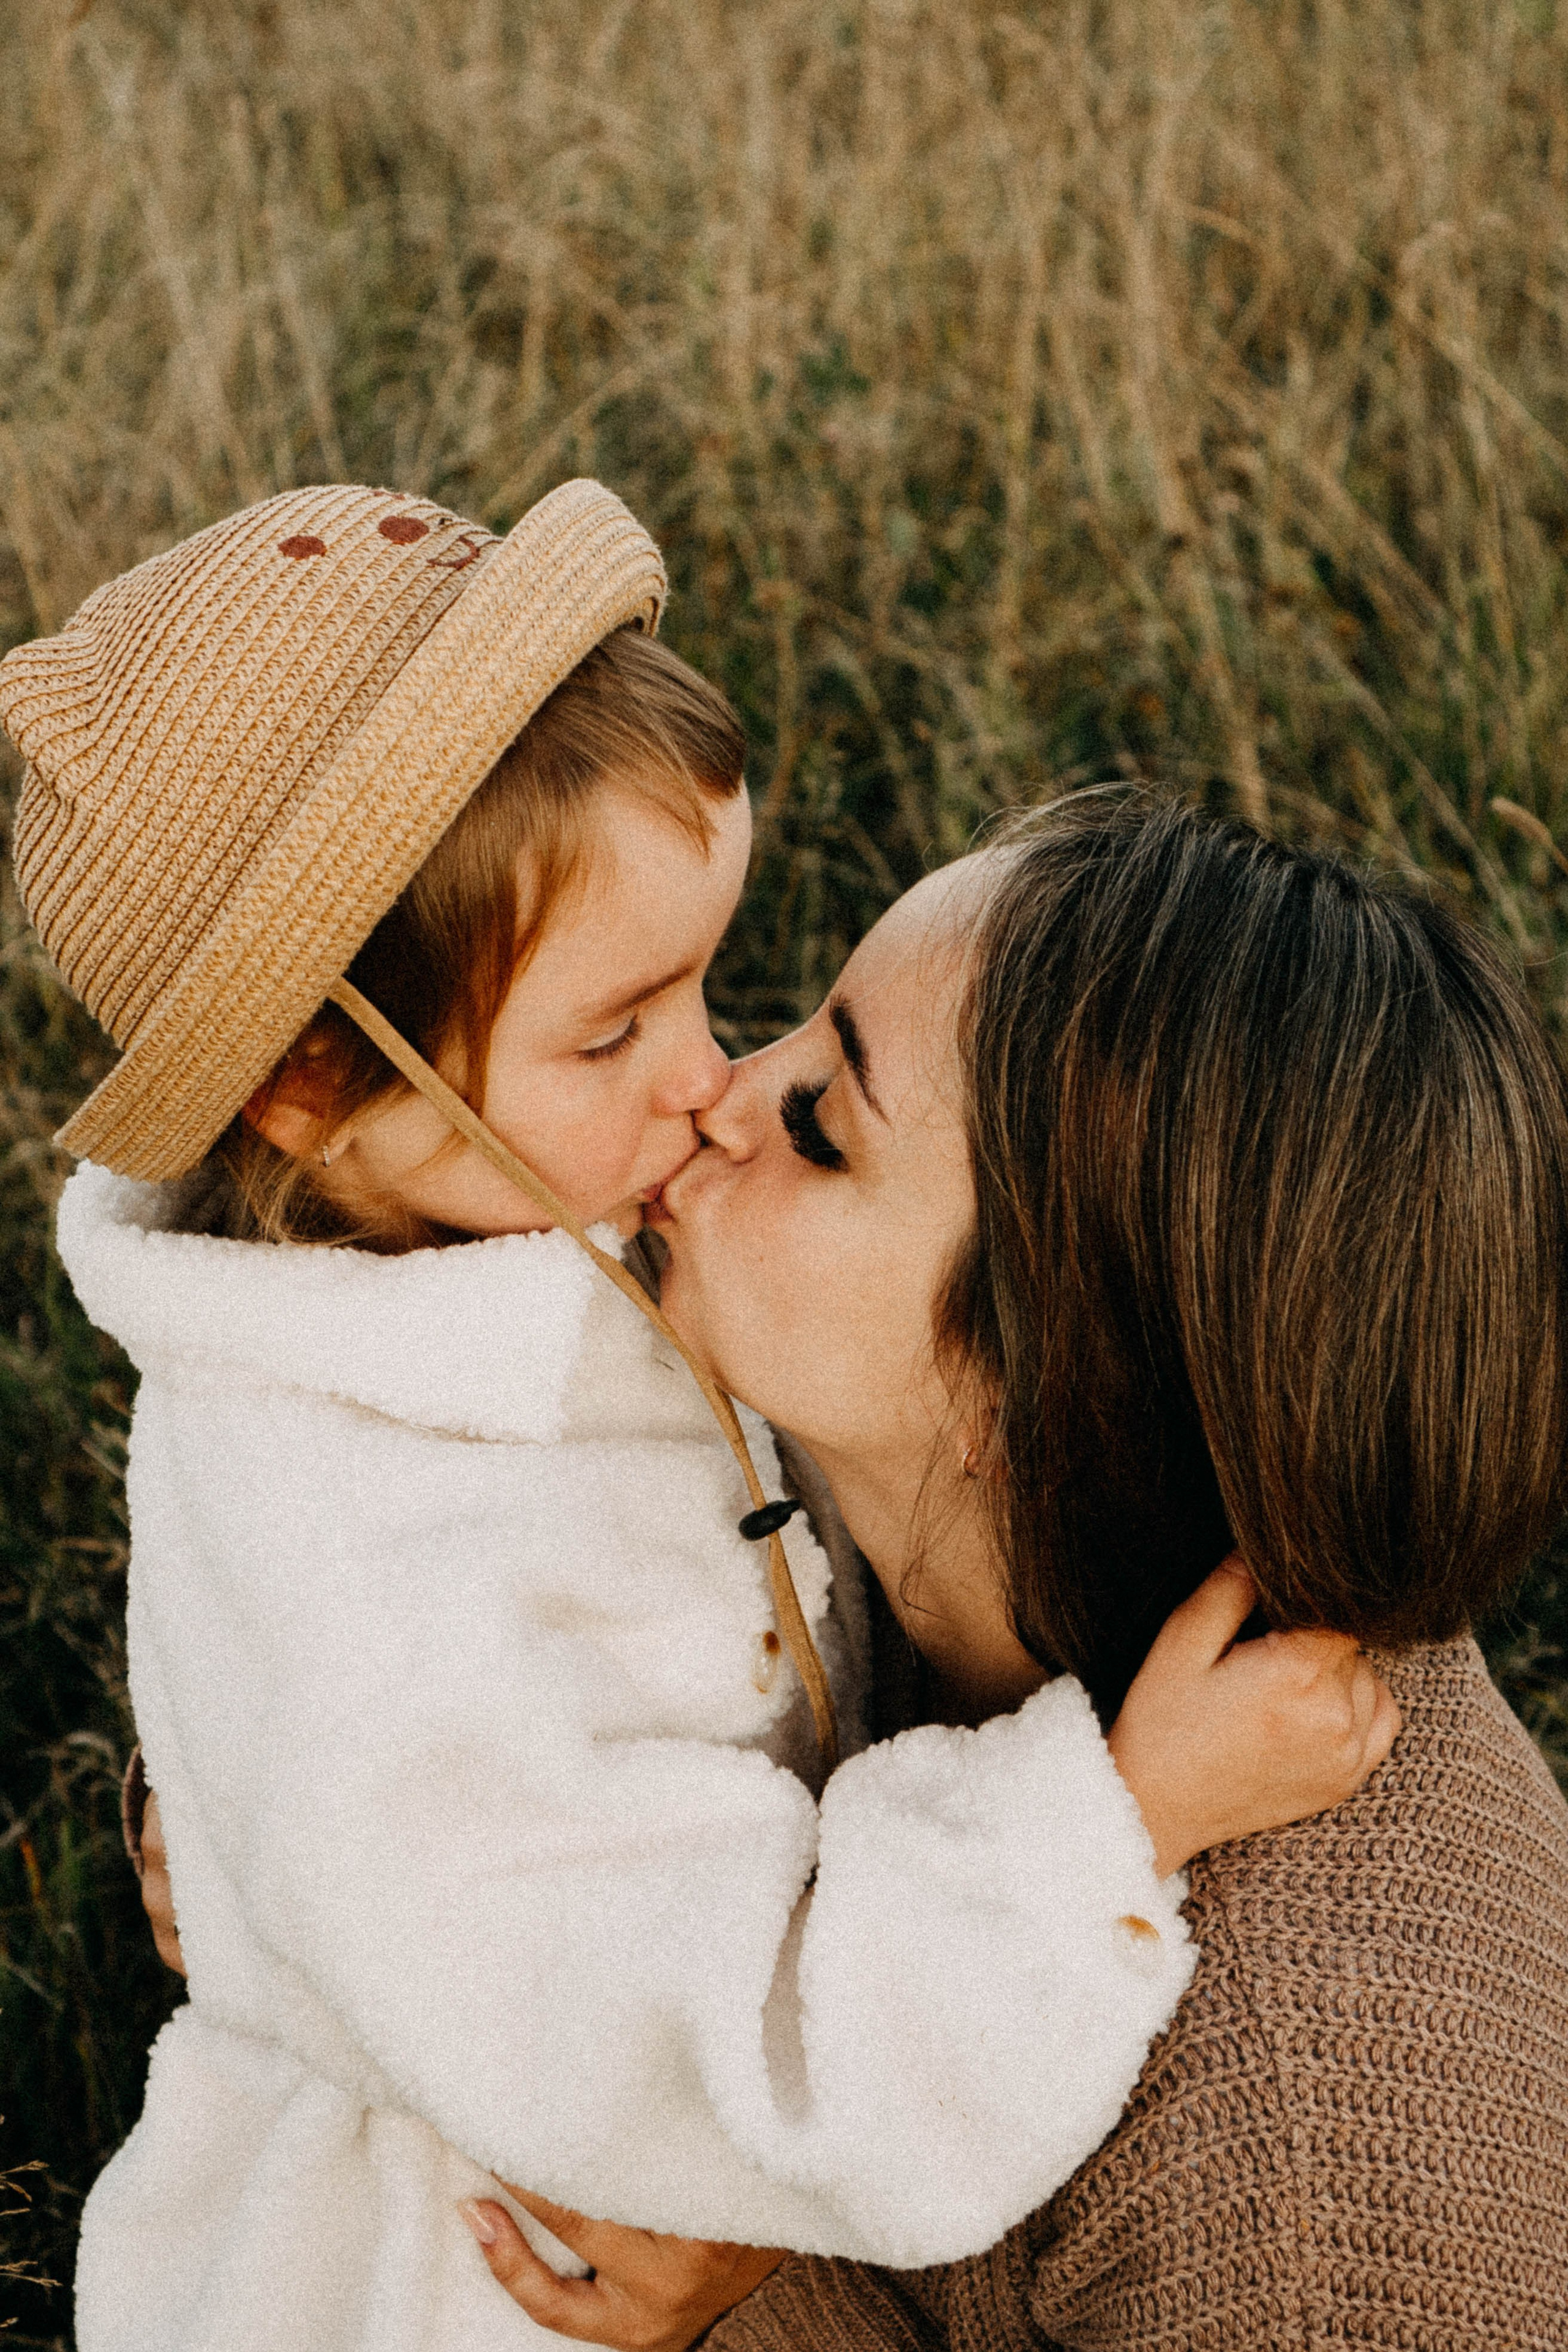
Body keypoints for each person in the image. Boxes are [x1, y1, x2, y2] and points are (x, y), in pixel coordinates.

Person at [1, 488, 1387, 2352]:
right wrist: (1119, 1818)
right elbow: (752, 2072)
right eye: (613, 1032)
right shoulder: (389, 1592)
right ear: (316, 1080)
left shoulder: (460, 1239)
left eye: (710, 987)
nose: (714, 1077)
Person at [445, 795, 1568, 2350]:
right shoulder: (864, 1496)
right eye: (803, 1030)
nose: (716, 1091)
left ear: (1028, 1394)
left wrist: (764, 2234)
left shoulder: (1298, 2167)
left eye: (822, 1125)